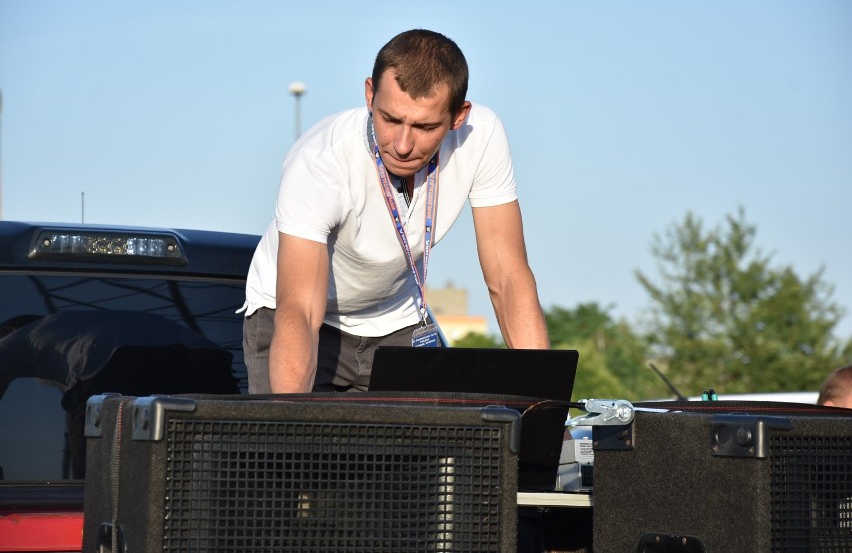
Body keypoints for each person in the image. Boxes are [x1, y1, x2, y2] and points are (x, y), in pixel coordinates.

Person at [242, 29, 549, 395]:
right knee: (297, 450)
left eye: (425, 127)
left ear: (458, 116)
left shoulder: (481, 136)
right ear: (370, 94)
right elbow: (301, 311)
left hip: (397, 322)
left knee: (432, 451)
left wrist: (543, 404)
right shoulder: (320, 161)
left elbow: (508, 275)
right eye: (390, 119)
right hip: (301, 319)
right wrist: (291, 429)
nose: (403, 145)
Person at [0, 310, 239, 477]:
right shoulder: (69, 330)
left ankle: (86, 498)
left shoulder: (16, 339)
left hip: (120, 357)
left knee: (92, 458)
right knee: (230, 454)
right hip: (206, 356)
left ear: (10, 330)